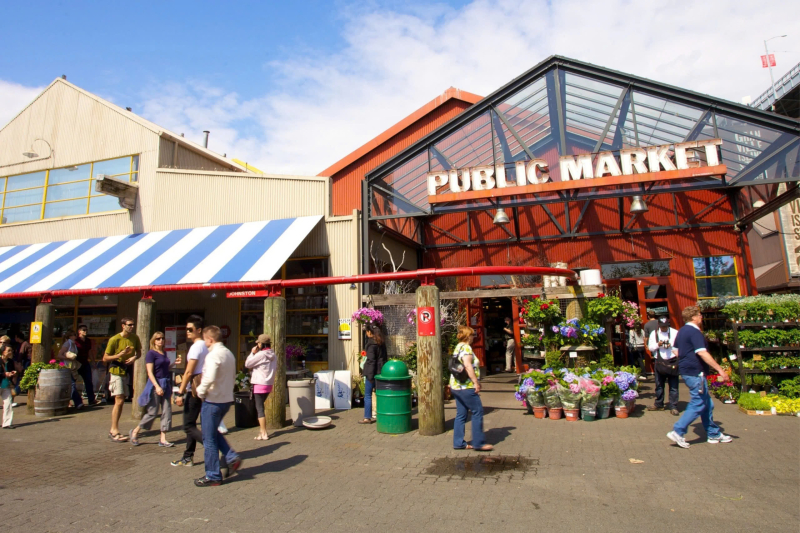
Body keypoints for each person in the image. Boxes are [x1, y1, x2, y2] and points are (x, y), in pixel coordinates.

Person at [667, 306, 732, 449]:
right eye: (699, 315)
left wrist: (686, 358)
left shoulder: (682, 331)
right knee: (698, 402)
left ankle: (713, 433)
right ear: (693, 317)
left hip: (687, 371)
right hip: (696, 372)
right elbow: (702, 352)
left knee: (707, 403)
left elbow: (675, 351)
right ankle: (678, 430)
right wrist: (720, 370)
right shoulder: (695, 332)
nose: (701, 317)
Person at [194, 326, 241, 487]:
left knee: (209, 439)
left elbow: (209, 377)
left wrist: (200, 391)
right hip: (226, 399)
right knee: (213, 432)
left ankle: (213, 475)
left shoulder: (213, 355)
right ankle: (231, 457)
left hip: (213, 400)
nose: (205, 343)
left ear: (210, 339)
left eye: (205, 340)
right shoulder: (229, 353)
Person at [171, 315, 207, 467]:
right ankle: (188, 456)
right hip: (203, 387)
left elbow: (188, 371)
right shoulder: (206, 345)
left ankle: (214, 446)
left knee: (188, 424)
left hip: (194, 388)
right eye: (186, 329)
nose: (187, 332)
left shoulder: (196, 347)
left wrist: (180, 393)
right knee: (193, 423)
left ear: (199, 330)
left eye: (190, 329)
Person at [451, 325, 492, 452]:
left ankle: (458, 443)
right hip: (466, 386)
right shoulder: (466, 348)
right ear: (468, 336)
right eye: (473, 335)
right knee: (477, 411)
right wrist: (476, 382)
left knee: (461, 414)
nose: (474, 337)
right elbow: (468, 366)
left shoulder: (458, 347)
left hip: (456, 385)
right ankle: (479, 443)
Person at [130, 332, 174, 447]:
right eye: (158, 338)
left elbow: (164, 368)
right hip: (156, 383)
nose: (161, 340)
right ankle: (135, 431)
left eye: (162, 338)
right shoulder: (151, 354)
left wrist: (174, 363)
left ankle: (163, 439)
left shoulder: (164, 353)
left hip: (166, 382)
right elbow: (150, 372)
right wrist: (157, 386)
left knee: (167, 411)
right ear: (154, 340)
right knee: (152, 412)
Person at [103, 317, 142, 443]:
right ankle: (113, 430)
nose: (132, 327)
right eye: (129, 325)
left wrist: (134, 358)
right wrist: (119, 355)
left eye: (133, 324)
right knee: (119, 399)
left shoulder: (134, 338)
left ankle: (115, 429)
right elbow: (105, 358)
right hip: (116, 370)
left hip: (126, 371)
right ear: (123, 326)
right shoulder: (114, 339)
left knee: (122, 400)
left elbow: (139, 352)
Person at [245, 334, 276, 440]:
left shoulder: (261, 354)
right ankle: (261, 432)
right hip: (268, 384)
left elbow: (248, 364)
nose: (257, 345)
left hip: (259, 384)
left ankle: (264, 432)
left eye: (258, 343)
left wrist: (252, 353)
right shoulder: (273, 355)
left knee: (259, 408)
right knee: (260, 406)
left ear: (261, 344)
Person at [647, 317, 680, 415]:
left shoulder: (675, 333)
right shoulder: (654, 333)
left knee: (674, 386)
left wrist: (671, 346)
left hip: (672, 361)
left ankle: (673, 406)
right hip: (660, 362)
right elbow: (650, 348)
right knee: (659, 385)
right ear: (659, 325)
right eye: (662, 327)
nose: (664, 328)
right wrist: (658, 344)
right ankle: (659, 404)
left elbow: (680, 347)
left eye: (665, 326)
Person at [359, 325, 387, 424]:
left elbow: (371, 361)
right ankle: (382, 415)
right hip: (381, 372)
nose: (366, 333)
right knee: (380, 395)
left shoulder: (371, 345)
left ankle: (367, 417)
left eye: (367, 331)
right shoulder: (382, 343)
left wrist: (370, 377)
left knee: (368, 395)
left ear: (370, 332)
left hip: (372, 373)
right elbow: (384, 358)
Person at [56, 329, 84, 410]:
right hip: (66, 366)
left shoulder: (73, 344)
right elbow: (59, 355)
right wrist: (68, 358)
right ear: (70, 336)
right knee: (72, 385)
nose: (76, 336)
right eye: (74, 335)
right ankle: (78, 402)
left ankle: (67, 402)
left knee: (70, 384)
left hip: (72, 367)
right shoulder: (67, 343)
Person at [74, 324, 99, 406]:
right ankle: (74, 400)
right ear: (79, 331)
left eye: (86, 330)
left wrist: (93, 361)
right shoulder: (76, 341)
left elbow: (90, 351)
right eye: (84, 330)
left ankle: (91, 400)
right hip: (76, 363)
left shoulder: (88, 341)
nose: (85, 331)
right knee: (73, 382)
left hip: (85, 362)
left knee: (88, 381)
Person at [2, 344, 16, 429]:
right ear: (3, 352)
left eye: (11, 350)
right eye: (8, 350)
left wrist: (13, 373)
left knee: (8, 403)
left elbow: (11, 370)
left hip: (6, 384)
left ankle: (7, 423)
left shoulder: (10, 361)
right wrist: (4, 374)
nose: (10, 352)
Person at [13, 332, 31, 399]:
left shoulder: (24, 344)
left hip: (26, 362)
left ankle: (16, 391)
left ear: (17, 337)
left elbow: (21, 354)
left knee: (22, 377)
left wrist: (19, 363)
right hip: (26, 362)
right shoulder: (23, 344)